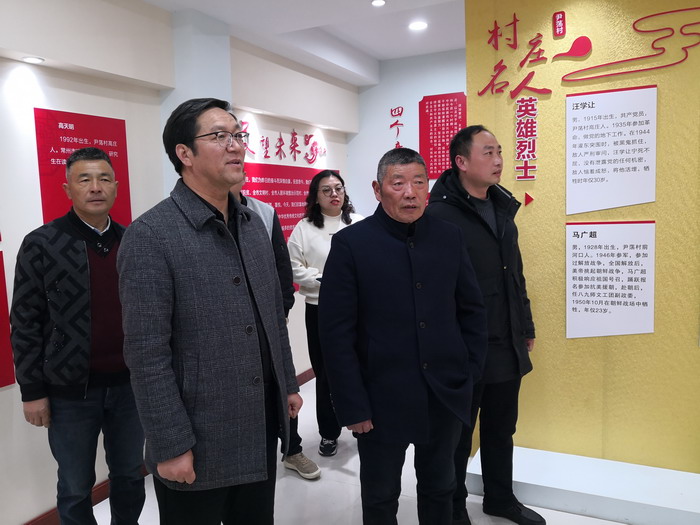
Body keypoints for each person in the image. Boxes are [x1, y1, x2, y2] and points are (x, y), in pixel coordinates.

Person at [117, 98, 302, 525]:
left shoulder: (252, 225)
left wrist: (288, 384)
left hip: (258, 424)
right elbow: (146, 355)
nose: (235, 146)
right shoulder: (151, 236)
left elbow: (272, 319)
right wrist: (171, 444)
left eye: (238, 135)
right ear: (184, 153)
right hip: (198, 438)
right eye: (219, 136)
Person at [318, 148, 488, 524]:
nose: (410, 192)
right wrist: (353, 405)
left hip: (444, 393)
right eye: (398, 183)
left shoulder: (449, 237)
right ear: (377, 189)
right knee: (380, 496)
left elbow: (472, 311)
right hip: (380, 398)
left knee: (441, 487)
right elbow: (335, 334)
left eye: (418, 182)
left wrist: (470, 374)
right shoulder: (351, 244)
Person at [10, 147, 145, 525]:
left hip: (130, 386)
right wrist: (32, 391)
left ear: (116, 186)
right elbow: (24, 321)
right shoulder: (42, 243)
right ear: (68, 188)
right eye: (84, 179)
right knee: (74, 485)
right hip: (69, 392)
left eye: (103, 179)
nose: (95, 187)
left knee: (130, 475)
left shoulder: (134, 241)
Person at [426, 126, 544, 525]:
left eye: (499, 152)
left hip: (506, 339)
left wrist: (525, 325)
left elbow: (515, 274)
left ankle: (500, 498)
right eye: (488, 152)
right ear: (461, 162)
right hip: (463, 345)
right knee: (458, 434)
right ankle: (454, 507)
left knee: (501, 427)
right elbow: (433, 290)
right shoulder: (439, 215)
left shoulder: (502, 206)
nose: (498, 160)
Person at [232, 177, 321, 480]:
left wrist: (279, 311)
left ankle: (292, 450)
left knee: (282, 384)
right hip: (227, 328)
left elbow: (282, 267)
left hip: (266, 322)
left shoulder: (263, 212)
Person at [287, 169, 363, 457]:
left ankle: (362, 423)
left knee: (360, 367)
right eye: (327, 190)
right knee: (326, 373)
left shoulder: (359, 223)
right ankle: (329, 433)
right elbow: (293, 266)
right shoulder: (304, 228)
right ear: (315, 197)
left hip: (357, 308)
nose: (334, 194)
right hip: (319, 309)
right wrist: (325, 280)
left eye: (338, 188)